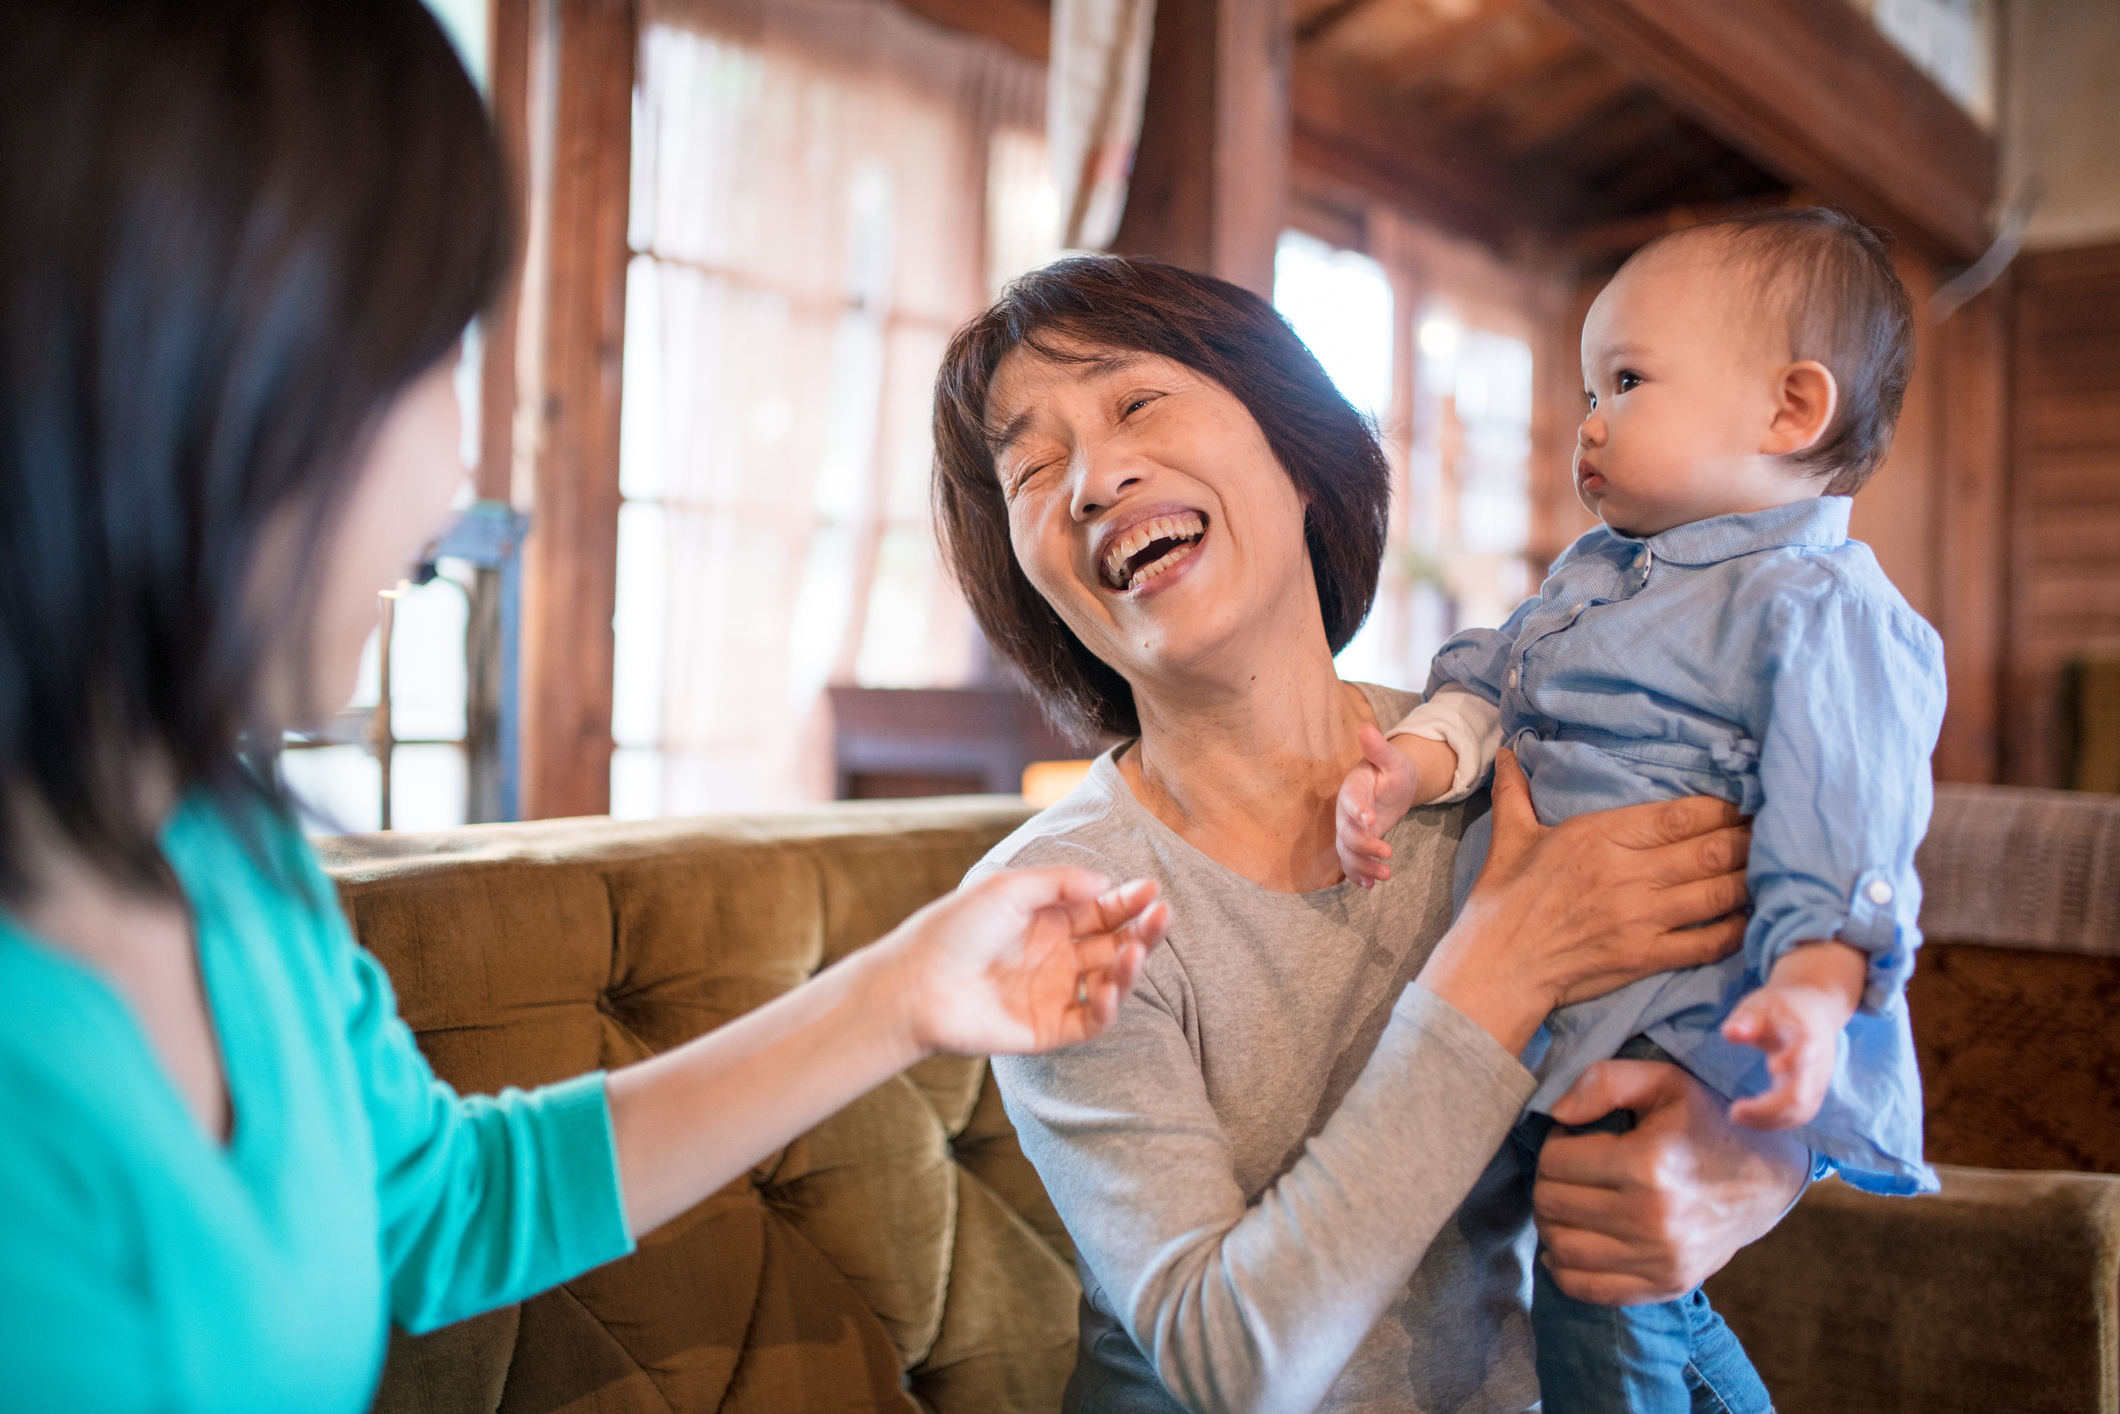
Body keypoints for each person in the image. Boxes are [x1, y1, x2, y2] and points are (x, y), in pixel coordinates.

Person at [0, 5, 1167, 1409]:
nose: (446, 500)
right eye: (418, 367)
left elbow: (438, 1201)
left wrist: (900, 993)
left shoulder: (228, 858)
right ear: (174, 367)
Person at [929, 255, 1813, 1414]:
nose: (1092, 477)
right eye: (1033, 470)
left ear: (1297, 451)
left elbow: (1758, 997)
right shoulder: (1055, 909)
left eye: (1137, 402)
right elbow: (1229, 1366)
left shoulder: (1520, 762)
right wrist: (1506, 960)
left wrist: (1755, 1168)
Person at [1336, 209, 1941, 1412]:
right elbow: (1489, 683)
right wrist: (1407, 764)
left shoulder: (1815, 602)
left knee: (1600, 1310)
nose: (1588, 421)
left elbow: (1847, 821)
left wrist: (1815, 989)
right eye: (1584, 388)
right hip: (1552, 1012)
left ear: (1788, 411)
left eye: (1624, 380)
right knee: (1627, 1299)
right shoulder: (1589, 575)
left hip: (1681, 1016)